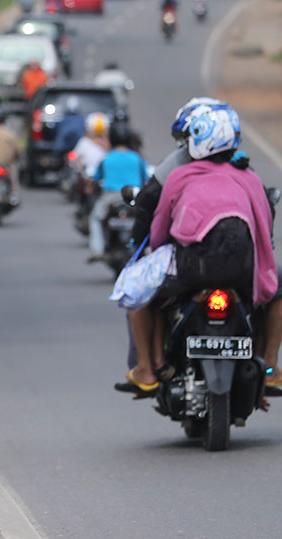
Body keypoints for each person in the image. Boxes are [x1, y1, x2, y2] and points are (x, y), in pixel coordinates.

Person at [124, 103, 276, 392]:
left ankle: (147, 367)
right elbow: (264, 223)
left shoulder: (178, 174)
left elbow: (158, 227)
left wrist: (152, 255)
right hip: (243, 268)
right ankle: (270, 365)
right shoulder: (248, 175)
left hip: (193, 268)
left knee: (138, 288)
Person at [87, 123, 147, 262]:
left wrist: (90, 187)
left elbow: (96, 179)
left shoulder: (107, 158)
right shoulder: (137, 158)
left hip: (110, 197)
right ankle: (147, 249)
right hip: (133, 197)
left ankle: (97, 250)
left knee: (95, 218)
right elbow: (146, 178)